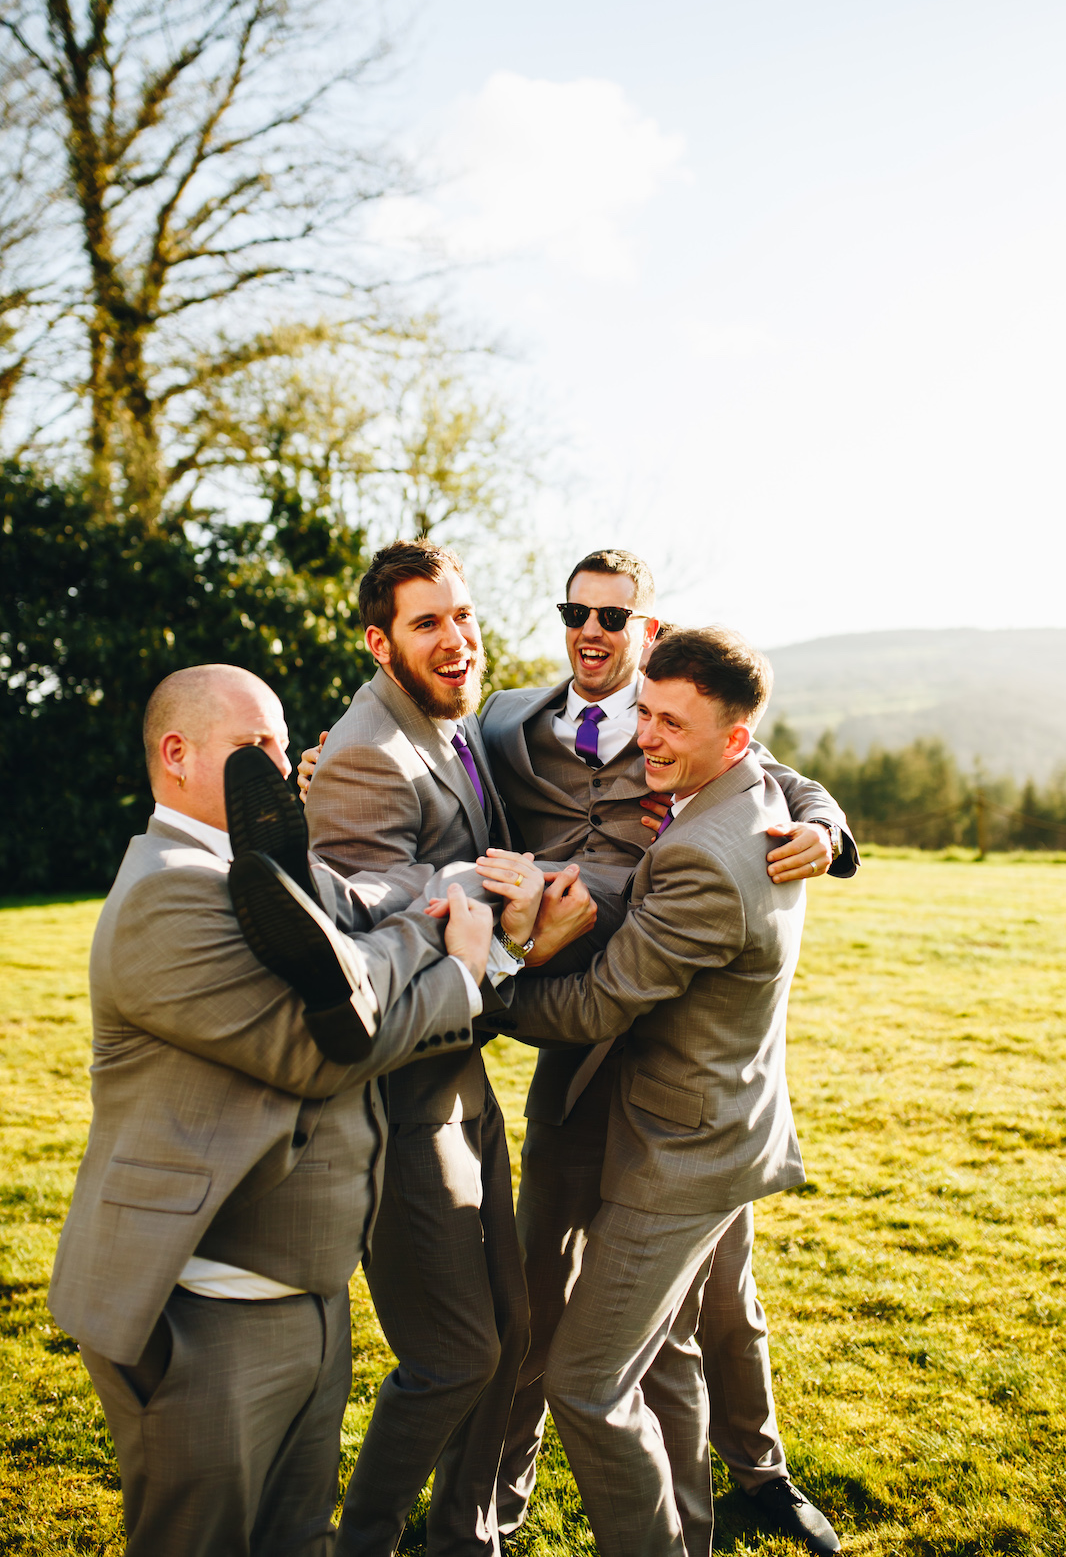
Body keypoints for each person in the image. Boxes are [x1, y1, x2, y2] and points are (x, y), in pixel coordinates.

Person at [49, 663, 494, 1557]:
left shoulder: (262, 869)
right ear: (176, 755)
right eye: (251, 747)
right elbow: (328, 1050)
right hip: (204, 1313)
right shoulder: (169, 891)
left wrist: (445, 887)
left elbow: (358, 903)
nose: (278, 766)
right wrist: (457, 966)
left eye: (283, 747)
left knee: (297, 1541)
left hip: (310, 1300)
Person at [477, 549, 854, 1551]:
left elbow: (780, 780)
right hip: (604, 1079)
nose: (589, 626)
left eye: (613, 612)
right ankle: (493, 1512)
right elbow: (427, 754)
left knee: (679, 1332)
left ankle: (747, 1482)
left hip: (666, 1089)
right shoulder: (510, 724)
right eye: (573, 609)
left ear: (644, 629)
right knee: (540, 1301)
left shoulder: (724, 810)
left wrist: (828, 825)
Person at [301, 541, 584, 1557]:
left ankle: (464, 1540)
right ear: (380, 641)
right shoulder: (365, 752)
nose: (456, 637)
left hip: (461, 1076)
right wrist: (501, 895)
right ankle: (365, 1538)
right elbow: (371, 934)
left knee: (507, 1335)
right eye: (427, 623)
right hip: (396, 1098)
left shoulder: (464, 719)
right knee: (454, 1352)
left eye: (461, 614)